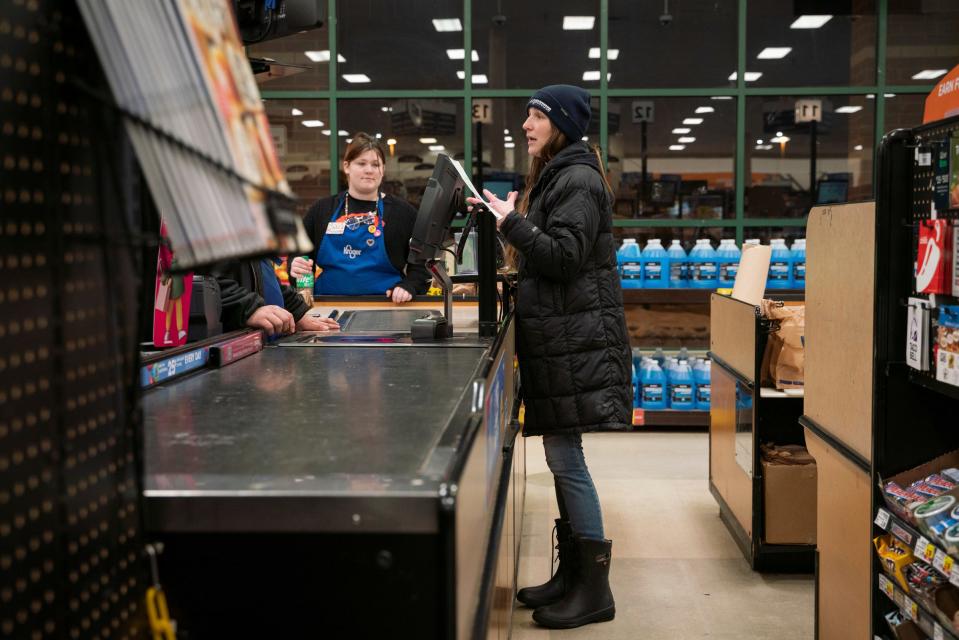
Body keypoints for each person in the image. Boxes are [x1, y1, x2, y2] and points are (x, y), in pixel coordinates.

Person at [468, 85, 631, 630]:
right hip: (564, 340)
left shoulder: (578, 180)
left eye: (535, 116)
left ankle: (595, 589)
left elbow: (562, 258)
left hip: (576, 341)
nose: (525, 125)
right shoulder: (561, 175)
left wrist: (508, 222)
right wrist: (509, 218)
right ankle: (573, 577)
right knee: (563, 457)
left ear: (560, 123)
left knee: (568, 459)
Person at [288, 133, 431, 303]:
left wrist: (410, 286)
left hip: (387, 307)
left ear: (383, 170)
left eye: (375, 164)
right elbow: (299, 256)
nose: (369, 170)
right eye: (361, 163)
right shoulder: (322, 209)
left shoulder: (403, 213)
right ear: (347, 166)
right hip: (326, 307)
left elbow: (422, 267)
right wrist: (294, 267)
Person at [217, 258, 339, 335]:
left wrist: (298, 313)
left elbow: (266, 279)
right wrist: (248, 308)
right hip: (231, 346)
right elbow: (207, 279)